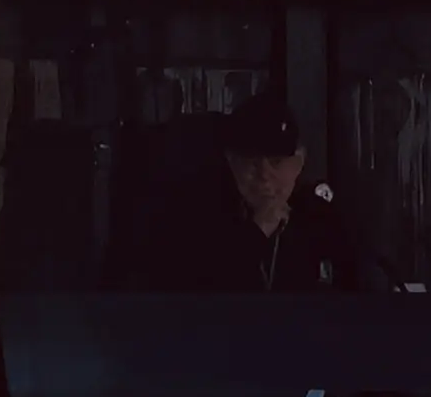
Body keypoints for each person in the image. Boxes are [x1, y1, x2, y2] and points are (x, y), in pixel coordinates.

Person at [126, 94, 357, 295]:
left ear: (299, 163)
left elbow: (356, 287)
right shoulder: (195, 214)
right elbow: (199, 295)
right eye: (252, 164)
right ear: (231, 161)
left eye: (276, 163)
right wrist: (256, 232)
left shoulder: (318, 215)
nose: (264, 176)